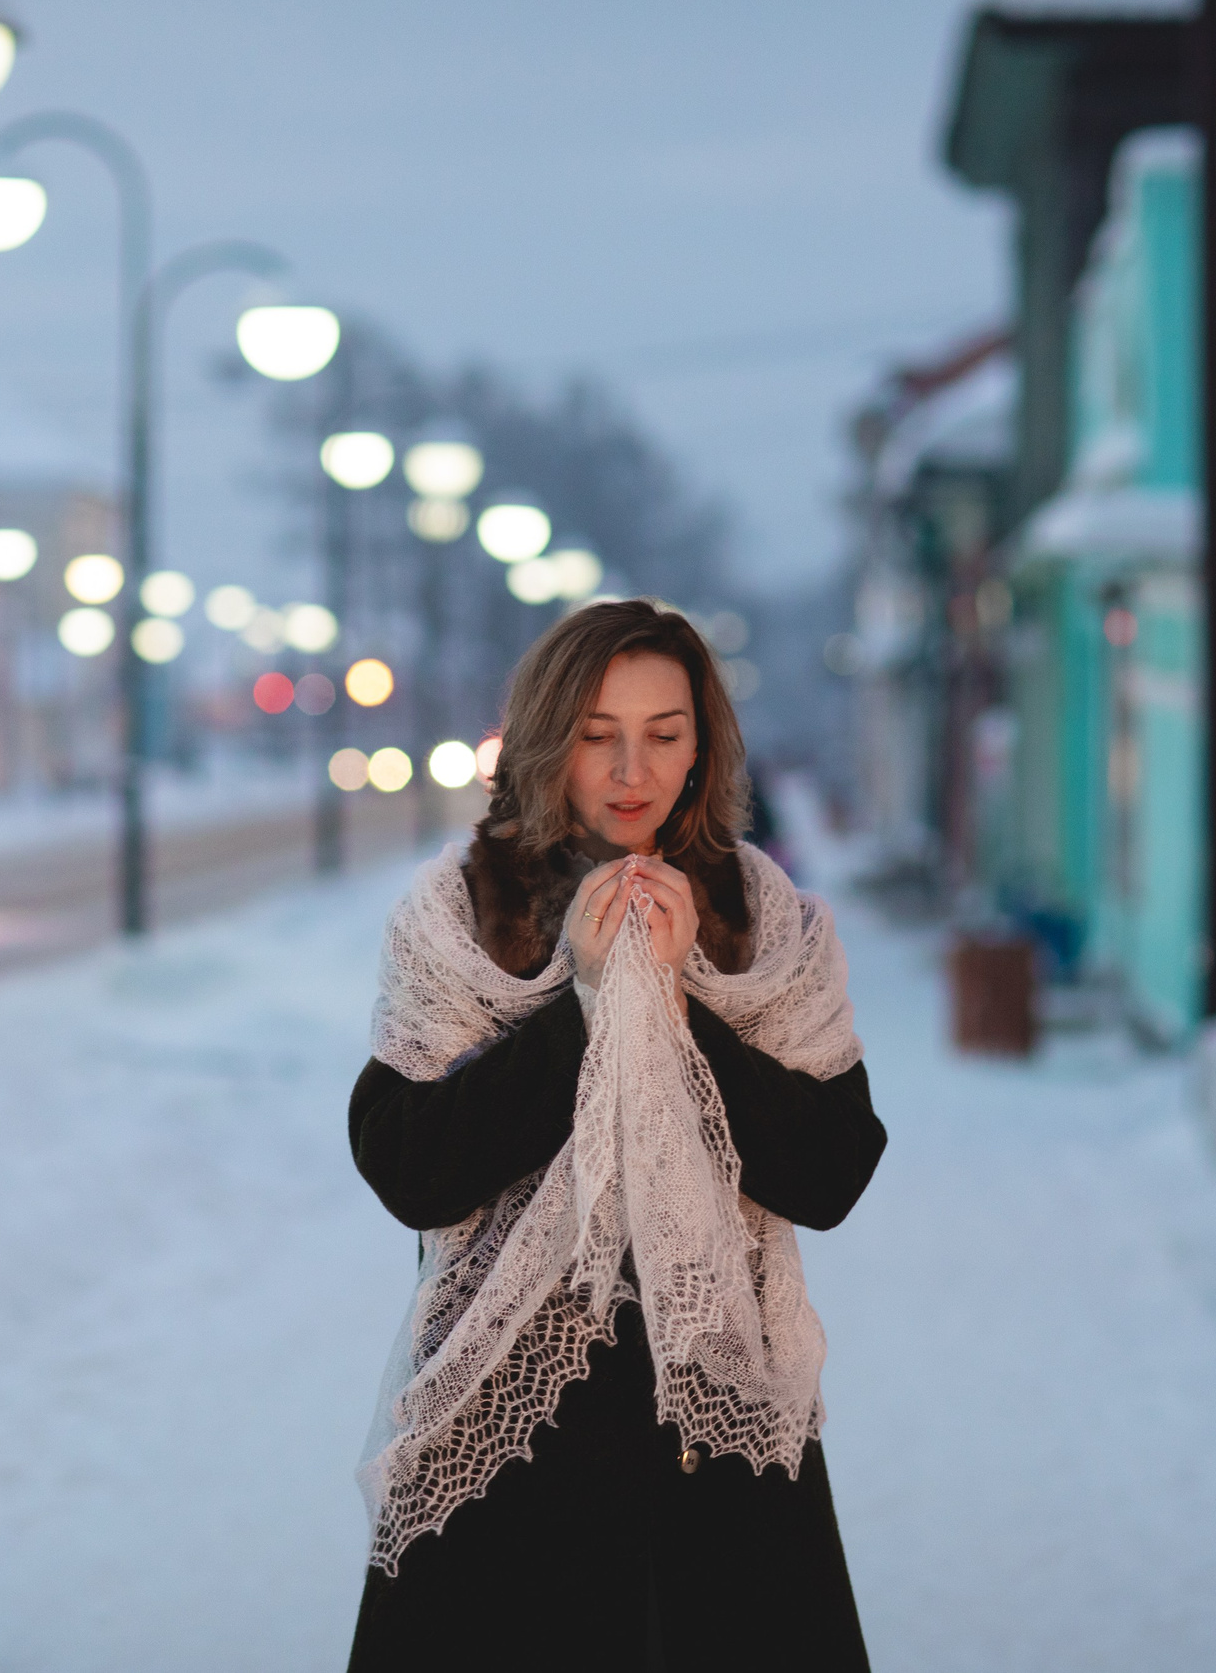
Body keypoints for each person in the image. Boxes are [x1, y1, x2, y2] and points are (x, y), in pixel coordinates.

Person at [346, 599, 885, 1670]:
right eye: (597, 734)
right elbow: (414, 1170)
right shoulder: (461, 915)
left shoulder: (763, 919)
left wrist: (678, 1008)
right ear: (549, 735)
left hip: (720, 1446)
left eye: (665, 733)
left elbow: (827, 1172)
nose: (630, 768)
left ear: (703, 745)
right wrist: (585, 1002)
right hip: (510, 1448)